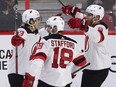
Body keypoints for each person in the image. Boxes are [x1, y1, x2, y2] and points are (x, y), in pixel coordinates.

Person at [22, 16, 87, 87]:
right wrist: (71, 73)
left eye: (49, 27)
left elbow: (37, 62)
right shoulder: (73, 43)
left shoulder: (46, 41)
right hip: (65, 83)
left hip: (47, 82)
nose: (47, 29)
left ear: (55, 28)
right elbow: (82, 62)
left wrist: (30, 78)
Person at [62, 4, 111, 87]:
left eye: (89, 15)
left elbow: (97, 37)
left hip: (99, 69)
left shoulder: (101, 27)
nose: (86, 17)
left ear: (97, 18)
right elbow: (82, 17)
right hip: (90, 66)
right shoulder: (91, 21)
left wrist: (84, 27)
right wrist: (73, 11)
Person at [7, 9, 43, 87]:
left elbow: (43, 33)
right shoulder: (22, 30)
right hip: (17, 73)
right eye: (37, 19)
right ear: (31, 21)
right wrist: (17, 39)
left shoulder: (37, 34)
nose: (39, 21)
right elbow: (19, 35)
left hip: (26, 74)